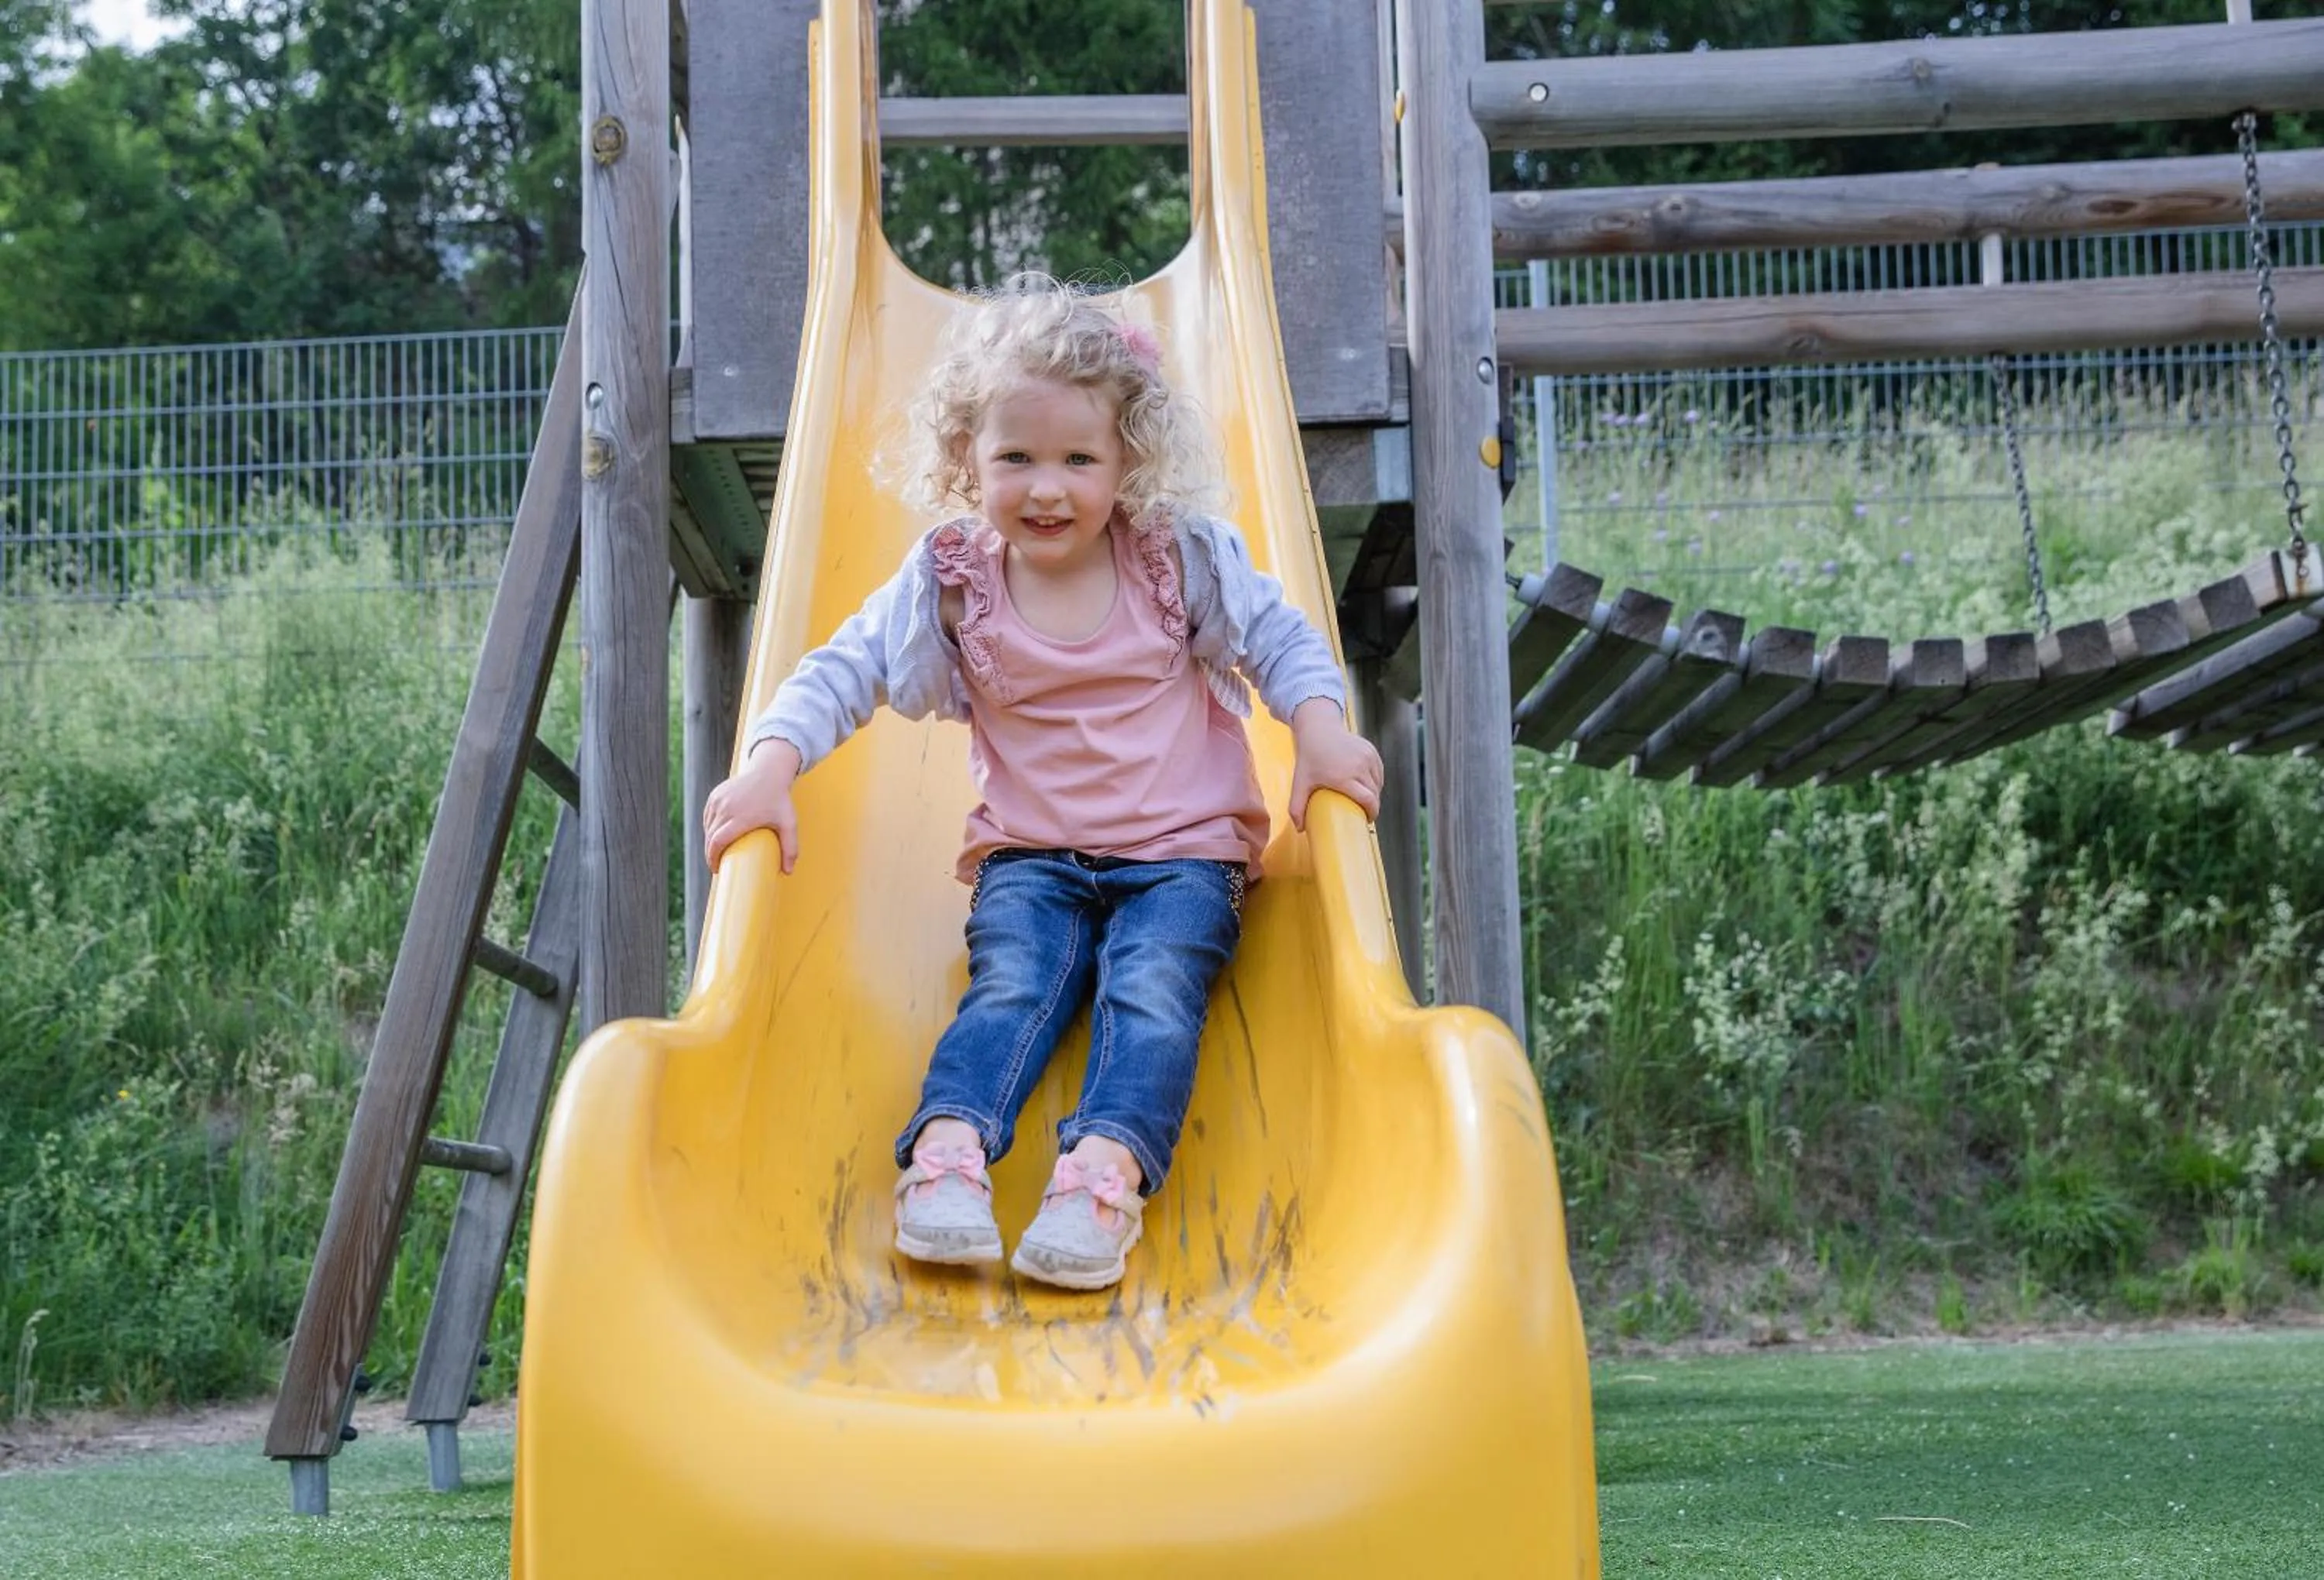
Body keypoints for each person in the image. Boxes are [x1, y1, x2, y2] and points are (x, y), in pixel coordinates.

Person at [701, 272, 1382, 1291]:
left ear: (1127, 462)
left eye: (1078, 459)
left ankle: (1098, 1178)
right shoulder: (954, 579)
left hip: (1182, 857)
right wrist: (768, 766)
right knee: (1014, 987)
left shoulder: (1175, 560)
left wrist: (1321, 732)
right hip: (1032, 858)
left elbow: (1278, 636)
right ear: (966, 459)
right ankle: (945, 1163)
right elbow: (841, 669)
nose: (1047, 487)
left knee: (1152, 992)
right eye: (1015, 457)